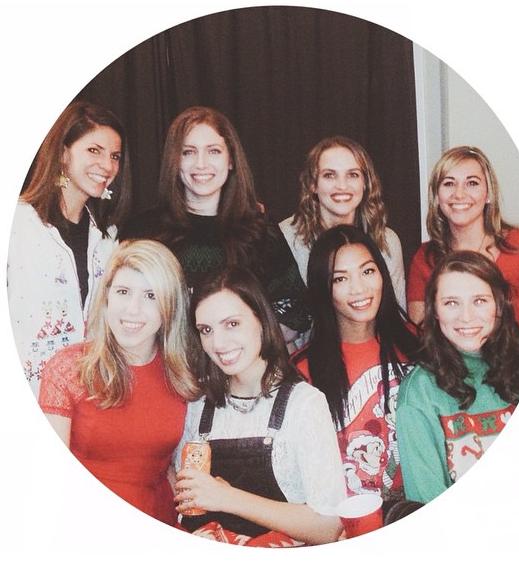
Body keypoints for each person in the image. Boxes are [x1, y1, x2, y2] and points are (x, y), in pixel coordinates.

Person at [174, 267, 346, 547]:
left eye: (232, 324)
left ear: (262, 320)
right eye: (206, 330)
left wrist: (227, 498)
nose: (218, 343)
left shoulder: (304, 404)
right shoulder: (198, 405)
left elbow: (328, 527)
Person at [38, 240, 200, 525]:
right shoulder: (69, 368)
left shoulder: (181, 373)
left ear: (169, 307)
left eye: (151, 295)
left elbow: (168, 469)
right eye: (123, 292)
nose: (132, 310)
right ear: (107, 297)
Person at [120, 106, 310, 344]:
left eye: (213, 151)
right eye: (188, 152)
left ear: (231, 160)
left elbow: (296, 310)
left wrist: (236, 348)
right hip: (164, 365)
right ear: (174, 161)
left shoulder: (260, 230)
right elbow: (121, 308)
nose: (201, 164)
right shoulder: (143, 232)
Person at [293, 225, 420, 524]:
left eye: (367, 271)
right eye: (340, 278)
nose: (359, 288)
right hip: (346, 523)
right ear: (323, 289)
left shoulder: (417, 346)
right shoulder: (302, 370)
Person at [8, 100, 132, 396]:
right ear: (63, 154)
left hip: (86, 398)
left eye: (114, 156)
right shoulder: (18, 223)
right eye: (94, 150)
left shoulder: (107, 239)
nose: (107, 166)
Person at [397, 251, 519, 504]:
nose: (467, 316)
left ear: (499, 305)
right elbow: (427, 502)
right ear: (434, 311)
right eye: (451, 303)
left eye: (479, 301)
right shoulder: (419, 392)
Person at [407, 145, 519, 346]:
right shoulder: (424, 258)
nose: (459, 194)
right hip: (450, 365)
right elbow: (421, 334)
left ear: (488, 194)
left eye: (472, 183)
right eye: (449, 183)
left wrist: (518, 361)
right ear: (437, 196)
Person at [279, 136, 406, 309]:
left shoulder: (387, 241)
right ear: (313, 185)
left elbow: (395, 312)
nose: (342, 186)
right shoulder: (285, 238)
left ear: (365, 183)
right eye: (329, 175)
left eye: (352, 175)